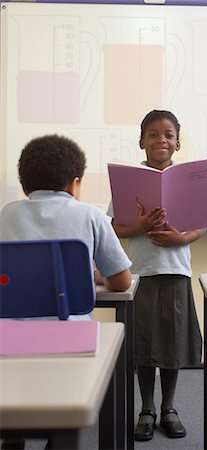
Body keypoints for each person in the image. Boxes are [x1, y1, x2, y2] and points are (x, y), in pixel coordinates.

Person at [0, 134, 132, 450]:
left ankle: (13, 433)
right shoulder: (91, 216)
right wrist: (95, 276)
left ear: (24, 187)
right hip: (71, 339)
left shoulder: (6, 214)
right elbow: (122, 282)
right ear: (75, 184)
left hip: (9, 338)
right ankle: (60, 433)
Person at [107, 109, 205, 441]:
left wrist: (183, 238)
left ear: (178, 143)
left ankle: (170, 408)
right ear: (141, 142)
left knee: (173, 342)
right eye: (152, 134)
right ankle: (146, 408)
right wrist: (138, 227)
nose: (160, 139)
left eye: (167, 134)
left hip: (177, 272)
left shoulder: (190, 178)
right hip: (142, 274)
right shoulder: (128, 182)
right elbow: (113, 226)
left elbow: (199, 225)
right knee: (144, 344)